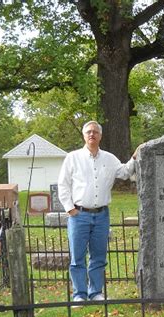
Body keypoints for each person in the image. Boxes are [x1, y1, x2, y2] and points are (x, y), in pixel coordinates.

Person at [58, 120, 141, 303]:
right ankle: (79, 294)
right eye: (88, 132)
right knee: (77, 257)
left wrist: (135, 157)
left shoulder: (109, 159)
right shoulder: (73, 158)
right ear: (83, 135)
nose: (92, 134)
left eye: (95, 132)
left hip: (102, 215)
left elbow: (125, 173)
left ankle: (95, 292)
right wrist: (69, 209)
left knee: (98, 256)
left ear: (100, 136)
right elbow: (63, 185)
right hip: (79, 214)